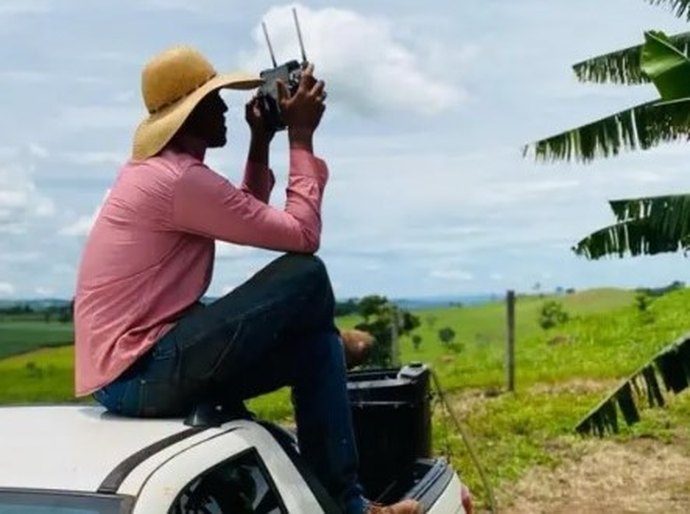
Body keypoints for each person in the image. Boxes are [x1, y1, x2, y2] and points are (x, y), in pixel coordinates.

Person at [73, 46, 423, 514]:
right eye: (213, 101)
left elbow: (246, 214)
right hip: (142, 371)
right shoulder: (177, 181)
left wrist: (261, 140)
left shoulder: (168, 175)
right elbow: (302, 236)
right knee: (306, 274)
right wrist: (300, 138)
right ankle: (331, 343)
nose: (224, 110)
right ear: (190, 113)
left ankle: (350, 506)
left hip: (136, 372)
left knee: (316, 351)